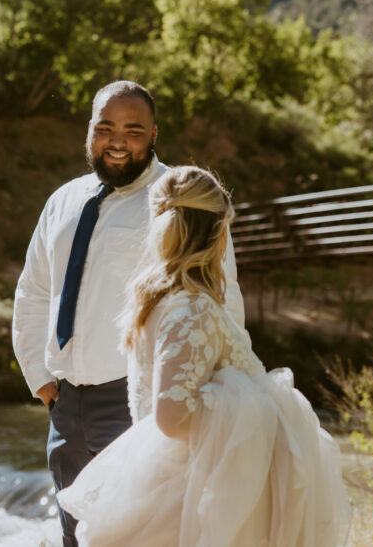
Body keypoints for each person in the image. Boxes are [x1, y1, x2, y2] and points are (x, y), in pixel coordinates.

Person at [57, 166, 351, 547]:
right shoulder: (191, 309)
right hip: (197, 499)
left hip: (188, 486)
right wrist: (261, 408)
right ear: (220, 232)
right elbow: (172, 416)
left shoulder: (162, 301)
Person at [12, 82, 244, 547]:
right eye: (105, 127)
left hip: (138, 403)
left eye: (133, 130)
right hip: (66, 405)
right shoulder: (64, 200)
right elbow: (35, 290)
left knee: (135, 538)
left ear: (154, 133)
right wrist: (39, 378)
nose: (117, 141)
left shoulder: (179, 201)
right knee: (75, 536)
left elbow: (221, 298)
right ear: (90, 132)